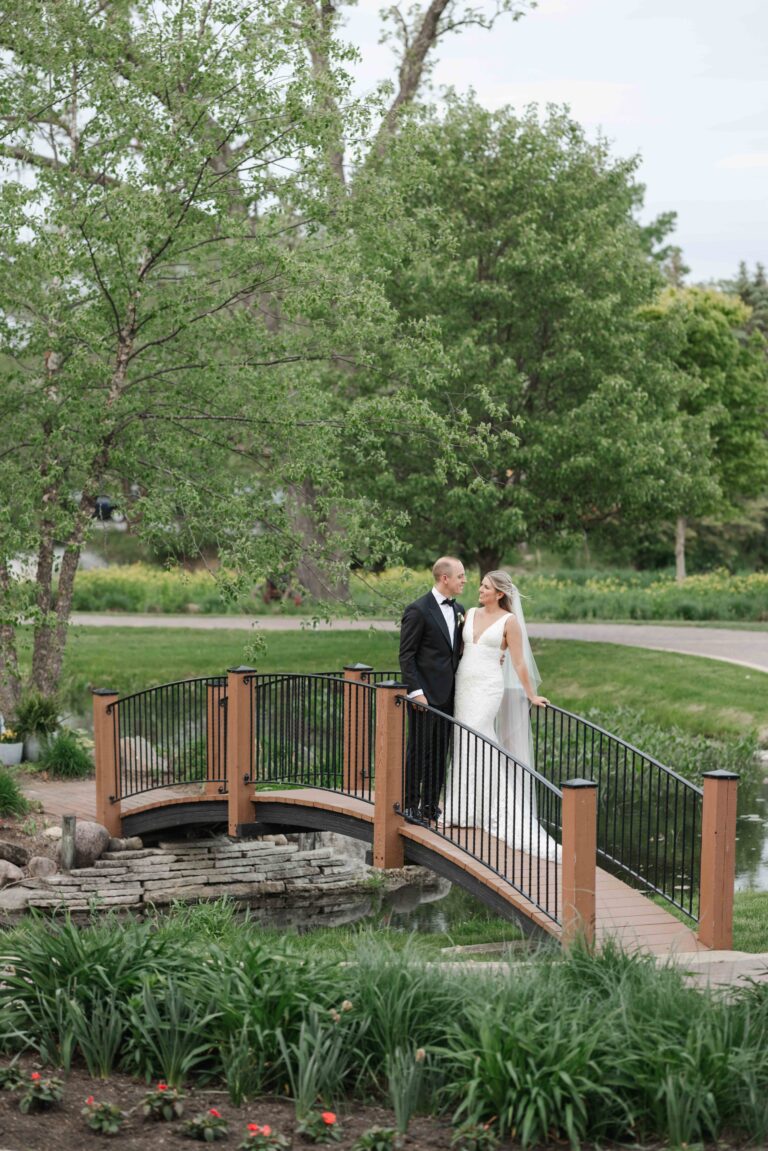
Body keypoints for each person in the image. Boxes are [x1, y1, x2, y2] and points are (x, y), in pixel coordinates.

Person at [444, 570, 560, 858]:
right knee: (464, 741)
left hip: (488, 688)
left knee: (479, 735)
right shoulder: (469, 613)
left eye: (486, 587)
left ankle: (498, 807)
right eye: (481, 585)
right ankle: (463, 808)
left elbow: (519, 662)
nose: (480, 590)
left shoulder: (510, 622)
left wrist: (531, 695)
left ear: (499, 594)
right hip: (464, 685)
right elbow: (460, 650)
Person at [398, 556, 467, 822]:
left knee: (439, 751)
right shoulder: (418, 610)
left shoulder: (459, 609)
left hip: (449, 694)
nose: (464, 581)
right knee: (418, 750)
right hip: (424, 695)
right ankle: (409, 804)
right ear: (444, 578)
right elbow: (406, 656)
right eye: (460, 576)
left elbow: (455, 651)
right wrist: (416, 692)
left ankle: (429, 805)